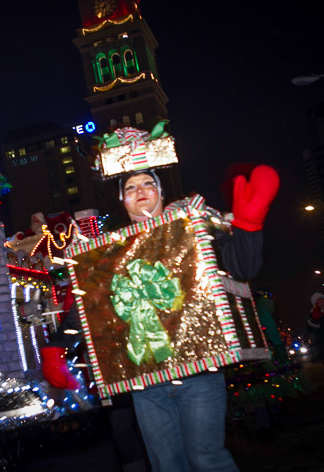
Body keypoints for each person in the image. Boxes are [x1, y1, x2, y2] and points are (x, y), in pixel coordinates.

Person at [117, 165, 278, 472]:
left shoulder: (195, 224)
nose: (140, 191)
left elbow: (242, 268)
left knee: (206, 459)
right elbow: (97, 303)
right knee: (167, 466)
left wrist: (248, 227)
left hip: (199, 370)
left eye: (148, 183)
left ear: (161, 192)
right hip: (146, 378)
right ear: (123, 200)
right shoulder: (113, 250)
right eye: (131, 187)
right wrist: (57, 344)